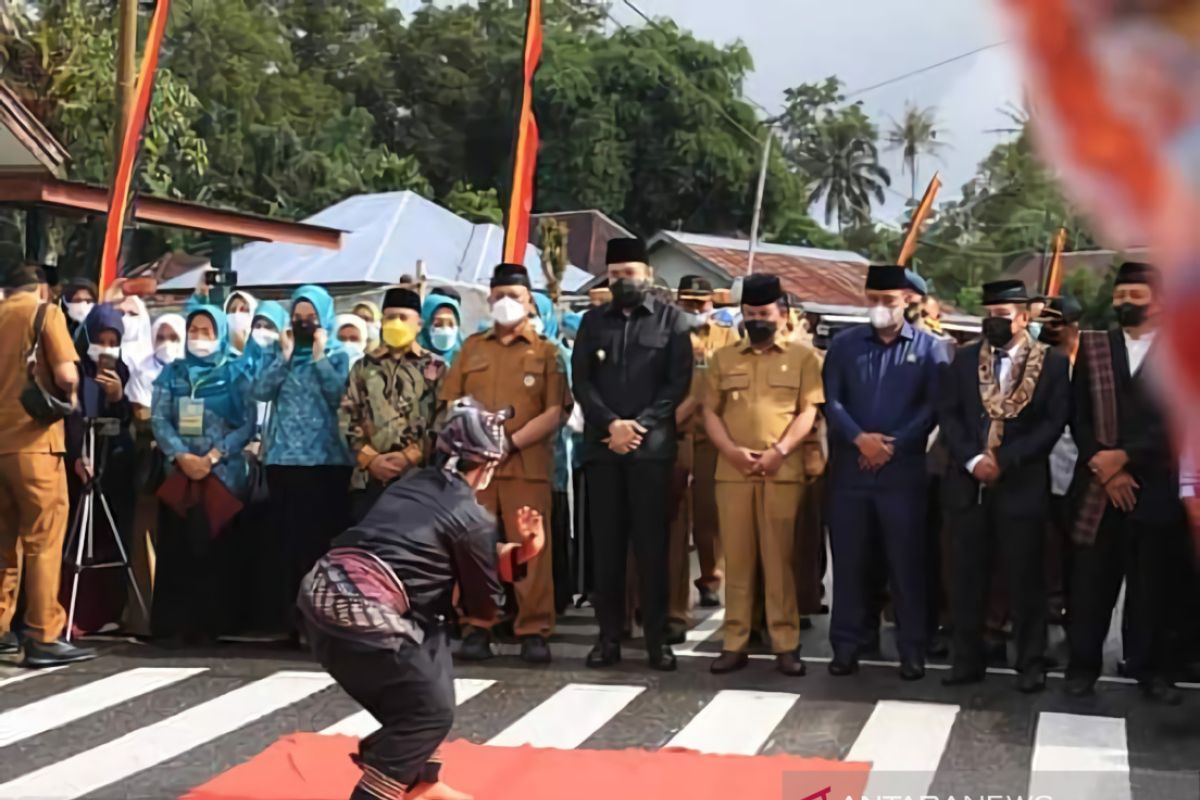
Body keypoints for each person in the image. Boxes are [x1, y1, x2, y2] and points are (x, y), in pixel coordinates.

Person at [300, 399, 544, 800]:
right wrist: (511, 560)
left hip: (319, 590)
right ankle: (388, 783)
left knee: (427, 661)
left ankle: (421, 783)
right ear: (486, 466)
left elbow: (440, 551)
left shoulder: (410, 484)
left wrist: (520, 552)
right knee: (429, 711)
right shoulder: (471, 517)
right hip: (363, 610)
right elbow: (484, 608)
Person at [938, 279, 1070, 693]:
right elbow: (951, 416)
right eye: (989, 315)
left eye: (1003, 316)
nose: (995, 322)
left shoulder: (1049, 363)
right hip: (969, 482)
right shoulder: (962, 360)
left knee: (1025, 580)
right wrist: (974, 459)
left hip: (1021, 484)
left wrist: (1006, 460)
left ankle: (1029, 662)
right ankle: (966, 659)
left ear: (1024, 319)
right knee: (966, 577)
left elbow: (1053, 422)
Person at [1065, 262, 1188, 703]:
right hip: (1099, 484)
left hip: (1153, 486)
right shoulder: (1096, 347)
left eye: (1135, 296)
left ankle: (1150, 669)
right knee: (1091, 583)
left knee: (1151, 585)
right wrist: (1105, 464)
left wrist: (1127, 458)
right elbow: (1077, 414)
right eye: (1120, 296)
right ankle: (1082, 668)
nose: (1125, 303)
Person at [823, 265, 950, 681]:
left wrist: (892, 444)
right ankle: (845, 646)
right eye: (873, 300)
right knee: (849, 563)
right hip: (851, 472)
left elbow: (933, 408)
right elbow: (833, 401)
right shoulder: (843, 346)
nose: (880, 308)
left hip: (903, 475)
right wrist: (861, 440)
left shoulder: (931, 349)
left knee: (907, 564)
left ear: (908, 301)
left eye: (888, 301)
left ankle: (911, 649)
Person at [572, 238, 692, 671]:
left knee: (652, 548)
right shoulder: (591, 324)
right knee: (606, 549)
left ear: (649, 275)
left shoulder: (672, 322)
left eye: (631, 273)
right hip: (604, 450)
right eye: (616, 274)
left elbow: (677, 385)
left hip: (651, 451)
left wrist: (638, 425)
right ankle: (607, 638)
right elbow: (582, 383)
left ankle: (657, 640)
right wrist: (611, 425)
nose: (623, 281)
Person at [441, 264, 569, 664]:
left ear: (530, 302)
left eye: (514, 297)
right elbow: (451, 400)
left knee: (529, 547)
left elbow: (556, 410)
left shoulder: (547, 351)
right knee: (474, 546)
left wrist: (510, 442)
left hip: (525, 463)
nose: (506, 303)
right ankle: (477, 625)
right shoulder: (472, 348)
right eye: (498, 296)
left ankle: (533, 628)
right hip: (477, 468)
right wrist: (476, 438)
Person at [703, 274, 823, 676]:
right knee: (737, 561)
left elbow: (808, 412)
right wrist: (732, 452)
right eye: (750, 314)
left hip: (781, 471)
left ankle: (785, 643)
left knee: (779, 561)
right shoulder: (723, 358)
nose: (757, 320)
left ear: (782, 315)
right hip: (734, 471)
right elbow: (709, 412)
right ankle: (735, 641)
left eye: (765, 314)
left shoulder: (804, 358)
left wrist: (780, 451)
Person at [0, 266, 93, 666]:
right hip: (34, 442)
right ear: (40, 288)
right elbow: (66, 374)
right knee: (43, 537)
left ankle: (2, 629)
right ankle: (42, 632)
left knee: (4, 543)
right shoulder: (44, 313)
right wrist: (69, 396)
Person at [150, 306, 255, 642]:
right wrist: (181, 455)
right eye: (193, 329)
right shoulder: (173, 373)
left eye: (206, 331)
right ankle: (175, 626)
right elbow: (160, 418)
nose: (199, 337)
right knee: (178, 548)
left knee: (216, 548)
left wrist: (212, 456)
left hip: (222, 476)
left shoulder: (235, 372)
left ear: (220, 333)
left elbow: (247, 424)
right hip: (180, 475)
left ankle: (216, 624)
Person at [254, 285, 353, 637]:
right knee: (286, 545)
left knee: (318, 545)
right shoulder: (278, 354)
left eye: (310, 318)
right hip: (283, 461)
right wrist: (284, 356)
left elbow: (339, 395)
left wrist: (319, 355)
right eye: (297, 318)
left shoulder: (339, 355)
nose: (303, 324)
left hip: (325, 462)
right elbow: (260, 391)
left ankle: (322, 620)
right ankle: (290, 620)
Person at [667, 275, 736, 637]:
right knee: (677, 515)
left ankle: (711, 577)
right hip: (676, 434)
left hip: (712, 435)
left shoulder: (728, 338)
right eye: (688, 304)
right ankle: (674, 601)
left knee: (710, 512)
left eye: (701, 304)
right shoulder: (668, 335)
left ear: (713, 304)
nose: (694, 311)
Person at [343, 287, 444, 521]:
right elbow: (347, 416)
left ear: (418, 324)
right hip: (368, 480)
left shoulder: (436, 368)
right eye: (390, 317)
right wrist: (371, 459)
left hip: (418, 479)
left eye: (403, 318)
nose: (395, 323)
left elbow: (442, 419)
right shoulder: (363, 367)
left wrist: (409, 456)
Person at [1038, 294, 1084, 624]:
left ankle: (1071, 610)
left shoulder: (1090, 366)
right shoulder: (1035, 363)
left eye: (1056, 323)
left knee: (1077, 552)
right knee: (1045, 550)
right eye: (1045, 322)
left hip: (1081, 473)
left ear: (1073, 327)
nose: (1049, 329)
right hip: (1040, 471)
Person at [416, 291, 464, 367]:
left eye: (451, 324)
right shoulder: (411, 361)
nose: (446, 331)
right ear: (425, 326)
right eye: (438, 324)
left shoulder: (466, 359)